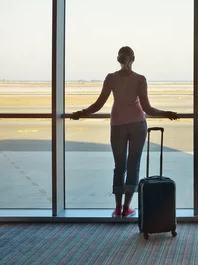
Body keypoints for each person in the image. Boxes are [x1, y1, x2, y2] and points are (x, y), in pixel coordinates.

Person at [71, 46, 179, 218]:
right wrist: (166, 113)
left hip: (118, 125)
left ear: (118, 59)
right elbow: (147, 108)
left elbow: (98, 104)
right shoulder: (140, 79)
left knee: (119, 166)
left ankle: (118, 207)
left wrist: (81, 113)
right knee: (133, 165)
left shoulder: (111, 78)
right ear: (133, 58)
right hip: (137, 124)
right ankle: (127, 207)